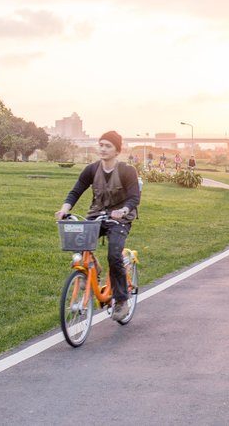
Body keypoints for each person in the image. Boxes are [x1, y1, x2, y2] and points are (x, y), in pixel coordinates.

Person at [55, 131, 140, 323]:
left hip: (120, 219)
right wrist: (64, 209)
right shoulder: (92, 169)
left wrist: (124, 210)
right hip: (97, 215)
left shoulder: (127, 170)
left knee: (114, 254)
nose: (103, 148)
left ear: (117, 150)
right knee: (79, 239)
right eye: (101, 144)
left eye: (108, 145)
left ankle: (121, 300)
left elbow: (135, 197)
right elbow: (76, 190)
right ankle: (91, 269)